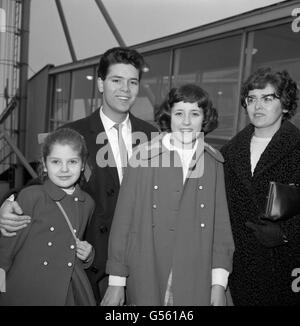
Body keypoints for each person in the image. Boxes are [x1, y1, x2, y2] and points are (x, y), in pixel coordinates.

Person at [0, 47, 158, 303]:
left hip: (139, 264)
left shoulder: (153, 138)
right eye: (116, 80)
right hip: (89, 265)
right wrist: (9, 203)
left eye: (132, 82)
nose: (125, 89)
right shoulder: (72, 133)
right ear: (100, 83)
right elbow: (42, 183)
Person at [101, 84, 235, 306]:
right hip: (147, 273)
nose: (186, 121)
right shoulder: (143, 157)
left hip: (196, 278)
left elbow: (221, 229)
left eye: (195, 114)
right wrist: (116, 282)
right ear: (168, 116)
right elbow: (123, 222)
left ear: (205, 118)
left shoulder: (213, 163)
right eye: (179, 113)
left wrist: (219, 285)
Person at [221, 67, 300, 305]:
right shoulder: (229, 152)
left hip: (286, 266)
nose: (258, 106)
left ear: (285, 105)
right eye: (252, 99)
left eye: (268, 98)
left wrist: (287, 233)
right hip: (240, 267)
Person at [0, 128, 96, 306]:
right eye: (56, 162)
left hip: (68, 291)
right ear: (45, 164)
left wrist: (88, 256)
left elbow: (70, 250)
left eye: (73, 162)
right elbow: (7, 248)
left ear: (83, 165)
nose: (64, 169)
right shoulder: (32, 196)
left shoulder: (87, 203)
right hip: (28, 290)